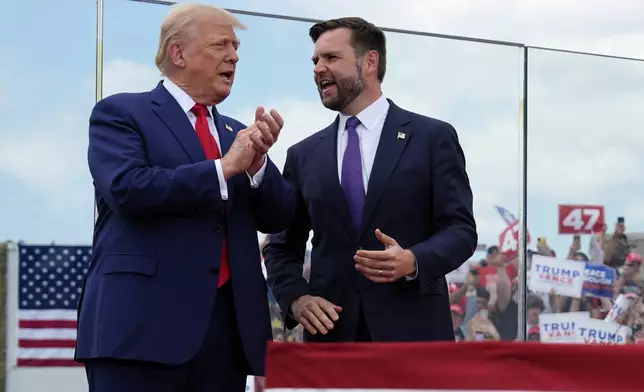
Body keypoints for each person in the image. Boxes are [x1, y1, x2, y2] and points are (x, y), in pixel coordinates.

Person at [74, 4, 295, 392]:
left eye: (236, 46)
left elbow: (279, 217)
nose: (234, 56)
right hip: (139, 331)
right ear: (178, 54)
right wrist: (224, 168)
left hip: (226, 335)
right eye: (220, 45)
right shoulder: (122, 113)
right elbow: (128, 189)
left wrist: (257, 166)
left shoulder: (238, 134)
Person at [263, 17, 477, 343]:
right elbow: (280, 247)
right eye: (315, 60)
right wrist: (296, 298)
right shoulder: (302, 155)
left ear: (370, 62)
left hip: (413, 339)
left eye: (331, 58)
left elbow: (461, 230)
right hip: (331, 342)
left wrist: (413, 260)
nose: (318, 68)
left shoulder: (432, 138)